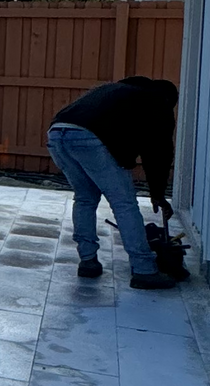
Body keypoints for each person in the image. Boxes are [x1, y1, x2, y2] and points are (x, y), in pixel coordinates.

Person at [47, 76, 180, 288]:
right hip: (90, 137)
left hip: (57, 133)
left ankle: (88, 261)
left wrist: (156, 191)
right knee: (124, 203)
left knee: (85, 198)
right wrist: (157, 193)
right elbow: (158, 153)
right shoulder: (157, 102)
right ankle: (144, 270)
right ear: (169, 99)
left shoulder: (115, 91)